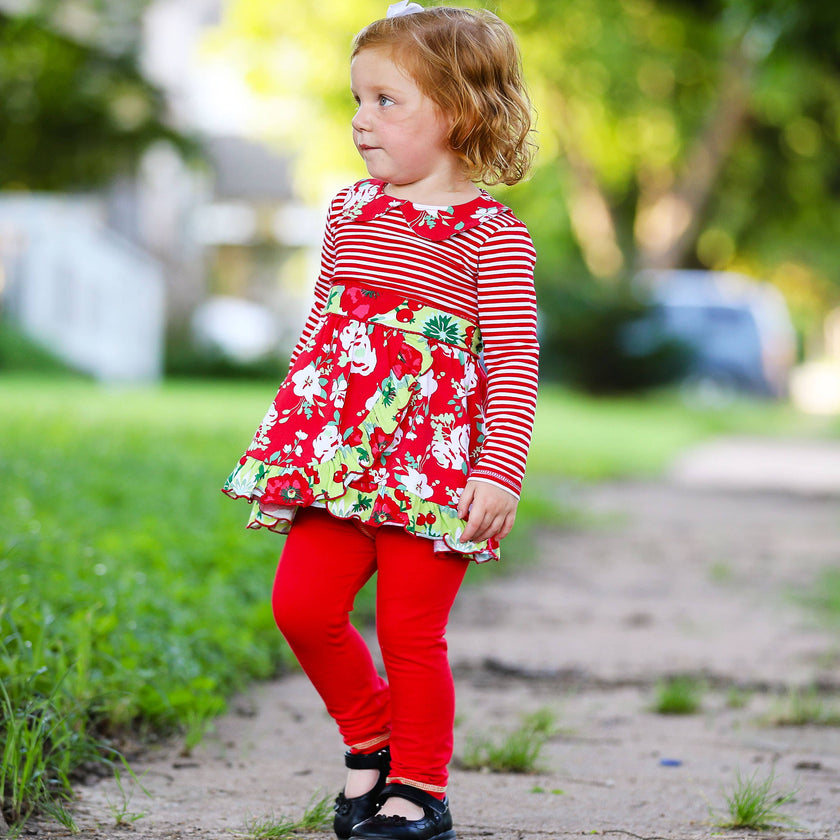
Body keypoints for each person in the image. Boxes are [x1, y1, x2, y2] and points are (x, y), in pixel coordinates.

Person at [222, 3, 538, 838]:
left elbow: (513, 363)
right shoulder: (349, 211)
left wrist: (499, 471)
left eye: (386, 101)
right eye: (357, 100)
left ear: (459, 111)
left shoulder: (492, 234)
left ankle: (419, 790)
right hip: (334, 461)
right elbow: (322, 331)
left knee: (410, 632)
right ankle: (371, 738)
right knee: (302, 609)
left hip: (432, 473)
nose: (361, 120)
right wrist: (286, 446)